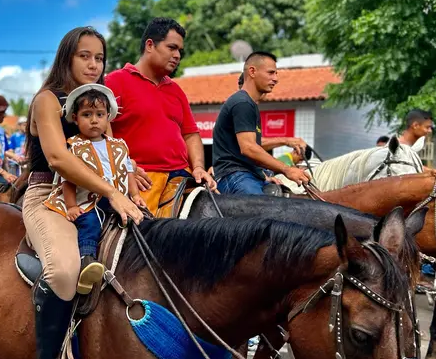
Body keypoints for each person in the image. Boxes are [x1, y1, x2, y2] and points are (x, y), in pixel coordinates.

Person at [23, 26, 143, 359]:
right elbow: (57, 157)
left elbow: (110, 151)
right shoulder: (47, 101)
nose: (93, 65)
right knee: (65, 271)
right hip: (51, 198)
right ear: (67, 58)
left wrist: (132, 174)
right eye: (84, 56)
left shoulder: (99, 105)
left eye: (99, 58)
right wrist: (112, 192)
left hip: (102, 196)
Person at [105, 17, 216, 215]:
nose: (177, 55)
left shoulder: (176, 90)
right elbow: (99, 134)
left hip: (183, 178)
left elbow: (191, 135)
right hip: (143, 179)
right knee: (146, 238)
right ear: (150, 45)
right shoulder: (114, 82)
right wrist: (125, 169)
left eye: (180, 51)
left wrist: (199, 167)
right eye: (171, 47)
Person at [43, 85, 144, 282]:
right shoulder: (74, 146)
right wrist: (71, 206)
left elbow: (128, 171)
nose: (94, 120)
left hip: (118, 200)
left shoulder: (119, 145)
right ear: (75, 118)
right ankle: (87, 260)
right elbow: (68, 179)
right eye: (87, 114)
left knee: (141, 218)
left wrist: (136, 195)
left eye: (99, 114)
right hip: (88, 201)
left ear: (108, 117)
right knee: (90, 224)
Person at [213, 51, 310, 195]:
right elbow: (249, 148)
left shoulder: (249, 104)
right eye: (271, 73)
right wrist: (287, 169)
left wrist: (262, 175)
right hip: (234, 175)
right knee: (262, 214)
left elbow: (254, 144)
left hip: (247, 173)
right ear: (252, 71)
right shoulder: (242, 103)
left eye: (276, 74)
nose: (276, 79)